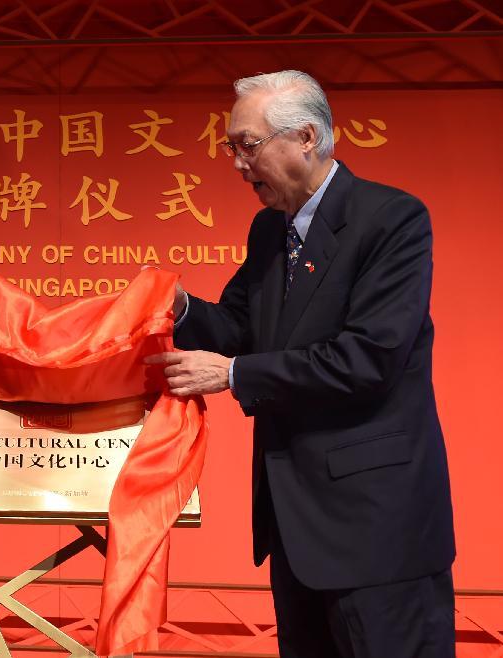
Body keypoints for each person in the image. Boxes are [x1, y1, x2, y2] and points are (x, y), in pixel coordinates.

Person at [146, 70, 455, 657]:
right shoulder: (270, 231)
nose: (237, 163)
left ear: (307, 137)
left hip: (377, 530)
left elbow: (367, 359)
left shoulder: (391, 220)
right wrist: (183, 307)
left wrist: (232, 375)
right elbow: (239, 328)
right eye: (230, 147)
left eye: (249, 145)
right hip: (296, 525)